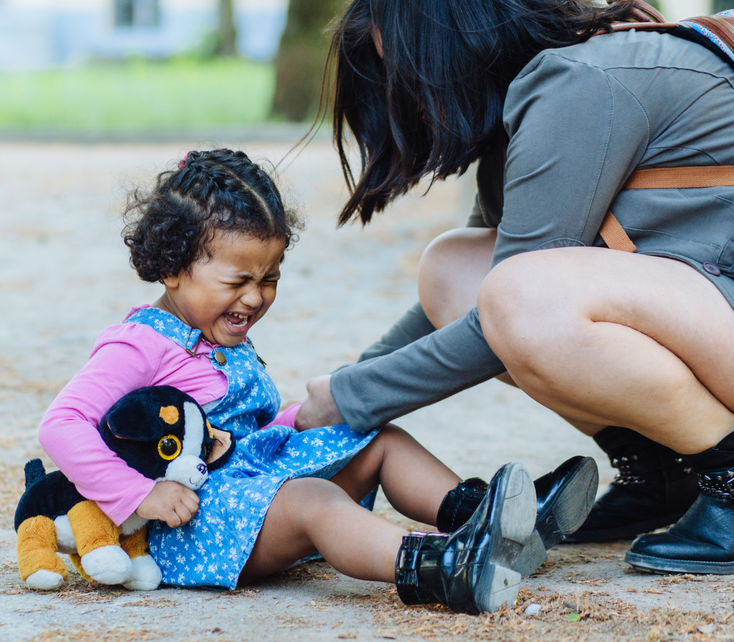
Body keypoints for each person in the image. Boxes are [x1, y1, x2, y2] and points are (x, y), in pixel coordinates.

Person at [38, 148, 597, 614]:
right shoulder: (139, 343)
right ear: (173, 267)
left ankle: (486, 519)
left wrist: (294, 423)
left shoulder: (210, 331)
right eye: (239, 280)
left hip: (250, 488)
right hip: (193, 526)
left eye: (270, 278)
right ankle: (439, 566)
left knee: (376, 437)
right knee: (314, 499)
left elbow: (238, 430)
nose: (255, 297)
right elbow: (62, 425)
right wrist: (141, 493)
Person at [294, 0, 734, 575]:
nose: (401, 94)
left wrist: (352, 398)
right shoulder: (529, 107)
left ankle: (727, 471)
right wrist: (331, 402)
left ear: (451, 43)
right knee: (454, 267)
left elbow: (509, 315)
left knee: (524, 298)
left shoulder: (575, 85)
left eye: (404, 68)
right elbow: (458, 304)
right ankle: (659, 470)